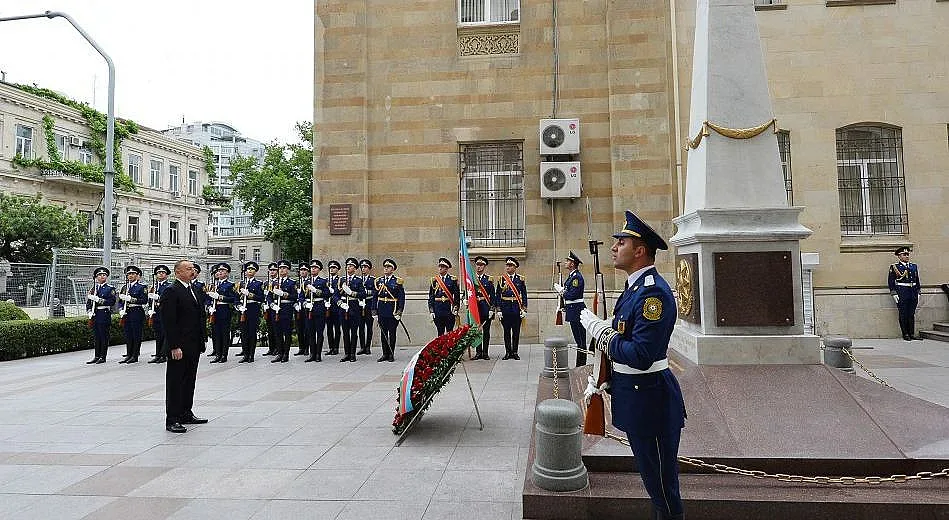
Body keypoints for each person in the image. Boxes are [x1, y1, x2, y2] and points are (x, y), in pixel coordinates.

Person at [580, 210, 685, 520]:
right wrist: (605, 378)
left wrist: (602, 334)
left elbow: (641, 354)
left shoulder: (653, 293)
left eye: (621, 241)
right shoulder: (634, 288)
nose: (614, 247)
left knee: (663, 489)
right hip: (637, 396)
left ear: (640, 251)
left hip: (651, 400)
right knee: (653, 482)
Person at [160, 259, 209, 433]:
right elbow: (169, 322)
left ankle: (186, 412)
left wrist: (202, 339)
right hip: (179, 346)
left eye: (193, 269)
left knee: (189, 380)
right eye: (188, 269)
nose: (192, 271)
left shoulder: (193, 289)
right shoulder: (171, 291)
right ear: (178, 272)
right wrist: (174, 346)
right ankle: (172, 419)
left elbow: (199, 317)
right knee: (175, 382)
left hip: (193, 344)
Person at [554, 251, 587, 366]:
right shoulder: (572, 276)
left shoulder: (576, 277)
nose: (566, 263)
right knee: (578, 341)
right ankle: (579, 365)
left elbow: (571, 295)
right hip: (573, 310)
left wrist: (561, 291)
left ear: (572, 264)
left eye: (567, 261)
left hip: (577, 310)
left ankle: (581, 365)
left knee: (581, 342)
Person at [888, 246, 922, 341]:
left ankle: (911, 333)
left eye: (908, 254)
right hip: (902, 292)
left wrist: (918, 291)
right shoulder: (895, 267)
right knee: (903, 313)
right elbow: (891, 281)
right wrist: (894, 293)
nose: (907, 256)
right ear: (899, 256)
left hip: (913, 292)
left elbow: (917, 279)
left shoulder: (913, 266)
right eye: (904, 254)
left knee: (911, 313)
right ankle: (905, 334)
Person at [496, 256, 527, 360]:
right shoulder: (501, 279)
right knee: (506, 332)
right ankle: (508, 352)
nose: (508, 267)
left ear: (515, 267)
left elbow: (524, 295)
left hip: (516, 308)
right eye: (507, 265)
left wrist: (524, 309)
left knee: (516, 332)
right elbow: (498, 295)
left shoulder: (520, 279)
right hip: (505, 309)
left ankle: (515, 352)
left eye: (510, 265)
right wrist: (499, 309)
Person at [374, 258, 405, 362]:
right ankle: (384, 354)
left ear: (393, 269)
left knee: (392, 333)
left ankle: (391, 354)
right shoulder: (378, 281)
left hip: (393, 310)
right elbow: (375, 297)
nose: (386, 269)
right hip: (382, 310)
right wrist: (374, 310)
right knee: (383, 333)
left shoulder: (397, 281)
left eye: (388, 267)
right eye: (385, 267)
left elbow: (401, 298)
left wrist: (399, 311)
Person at [85, 266, 116, 364]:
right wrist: (89, 310)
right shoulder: (93, 289)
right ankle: (96, 356)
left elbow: (112, 302)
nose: (102, 277)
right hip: (95, 314)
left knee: (103, 336)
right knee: (96, 336)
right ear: (96, 277)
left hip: (104, 314)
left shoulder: (110, 288)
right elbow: (89, 302)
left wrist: (99, 300)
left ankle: (103, 356)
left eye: (104, 275)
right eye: (99, 275)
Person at [336, 257, 364, 362]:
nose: (348, 267)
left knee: (353, 332)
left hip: (354, 307)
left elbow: (363, 294)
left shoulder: (359, 280)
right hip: (343, 307)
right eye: (347, 265)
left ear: (355, 268)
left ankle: (352, 353)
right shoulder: (341, 280)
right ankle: (346, 353)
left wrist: (353, 293)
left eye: (351, 266)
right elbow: (335, 294)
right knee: (345, 331)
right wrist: (340, 303)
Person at [118, 265, 149, 363]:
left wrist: (131, 299)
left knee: (136, 335)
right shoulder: (124, 287)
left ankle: (135, 356)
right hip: (126, 313)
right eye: (129, 274)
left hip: (136, 312)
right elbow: (120, 301)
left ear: (137, 275)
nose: (130, 276)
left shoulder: (141, 287)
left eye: (133, 274)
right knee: (128, 334)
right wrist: (120, 309)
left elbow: (144, 300)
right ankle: (129, 354)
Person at [207, 263, 236, 363]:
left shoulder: (230, 285)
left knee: (224, 333)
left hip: (224, 310)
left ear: (227, 273)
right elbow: (207, 298)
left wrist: (220, 297)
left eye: (223, 271)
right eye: (219, 271)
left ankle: (224, 355)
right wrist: (209, 306)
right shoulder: (214, 285)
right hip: (215, 311)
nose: (220, 272)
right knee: (216, 333)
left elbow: (233, 299)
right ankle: (217, 354)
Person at [236, 261, 265, 363]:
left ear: (255, 271)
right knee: (243, 333)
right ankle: (245, 354)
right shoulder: (241, 283)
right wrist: (238, 306)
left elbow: (262, 298)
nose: (249, 271)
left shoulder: (258, 284)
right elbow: (236, 298)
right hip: (242, 310)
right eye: (248, 269)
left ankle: (251, 355)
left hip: (253, 308)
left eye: (252, 269)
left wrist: (249, 294)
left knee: (252, 332)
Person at [271, 260, 299, 363]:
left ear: (288, 270)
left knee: (286, 332)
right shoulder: (274, 282)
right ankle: (280, 353)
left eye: (284, 268)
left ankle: (286, 354)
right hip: (276, 309)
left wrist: (284, 294)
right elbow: (269, 297)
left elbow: (295, 297)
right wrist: (272, 305)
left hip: (286, 309)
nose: (282, 270)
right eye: (280, 268)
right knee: (277, 333)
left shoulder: (292, 283)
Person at [303, 259, 330, 362]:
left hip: (319, 308)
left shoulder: (323, 281)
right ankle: (312, 354)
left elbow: (327, 294)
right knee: (310, 332)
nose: (313, 269)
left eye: (315, 268)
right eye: (312, 267)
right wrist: (305, 303)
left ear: (319, 270)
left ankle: (318, 354)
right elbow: (301, 296)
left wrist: (316, 291)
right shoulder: (306, 282)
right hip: (308, 309)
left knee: (319, 332)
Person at [147, 265, 172, 364]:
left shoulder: (169, 286)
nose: (160, 274)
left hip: (164, 313)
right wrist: (150, 309)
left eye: (163, 272)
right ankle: (158, 354)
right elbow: (150, 300)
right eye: (158, 273)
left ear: (166, 275)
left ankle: (164, 354)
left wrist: (159, 298)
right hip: (156, 313)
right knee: (157, 335)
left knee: (164, 334)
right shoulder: (154, 286)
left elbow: (169, 300)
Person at [429, 257, 460, 336]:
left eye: (442, 267)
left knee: (450, 332)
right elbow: (431, 297)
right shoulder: (434, 280)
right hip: (438, 310)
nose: (440, 268)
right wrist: (431, 310)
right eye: (439, 266)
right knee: (440, 332)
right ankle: (441, 349)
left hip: (448, 310)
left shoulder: (452, 280)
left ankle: (449, 348)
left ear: (446, 268)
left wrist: (456, 308)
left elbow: (456, 296)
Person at [473, 256, 496, 360]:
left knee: (486, 331)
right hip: (475, 308)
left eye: (481, 265)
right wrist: (465, 299)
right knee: (477, 331)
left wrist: (492, 308)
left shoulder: (489, 279)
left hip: (486, 308)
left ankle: (485, 352)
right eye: (477, 264)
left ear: (484, 266)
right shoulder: (472, 279)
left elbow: (493, 295)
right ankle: (478, 352)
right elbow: (468, 292)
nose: (479, 267)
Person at [357, 259, 376, 355]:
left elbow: (375, 292)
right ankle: (362, 346)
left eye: (365, 267)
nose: (363, 269)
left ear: (369, 268)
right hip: (360, 305)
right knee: (360, 327)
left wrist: (366, 292)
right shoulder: (358, 279)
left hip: (369, 304)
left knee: (369, 327)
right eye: (362, 267)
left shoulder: (373, 280)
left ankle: (368, 346)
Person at [325, 260, 342, 355]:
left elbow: (339, 292)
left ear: (337, 269)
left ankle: (336, 348)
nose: (331, 269)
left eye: (334, 268)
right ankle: (331, 347)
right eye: (330, 268)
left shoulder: (339, 280)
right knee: (329, 328)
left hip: (336, 307)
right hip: (327, 307)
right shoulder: (326, 280)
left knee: (337, 328)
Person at [294, 263, 311, 356]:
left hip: (306, 307)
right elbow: (293, 296)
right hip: (297, 308)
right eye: (301, 270)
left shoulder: (309, 282)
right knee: (299, 328)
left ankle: (307, 348)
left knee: (307, 328)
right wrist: (295, 304)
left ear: (308, 272)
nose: (303, 272)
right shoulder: (296, 283)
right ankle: (301, 348)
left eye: (305, 270)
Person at [262, 262, 279, 356]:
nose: (272, 272)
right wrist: (264, 305)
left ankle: (277, 347)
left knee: (276, 328)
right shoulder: (266, 283)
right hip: (267, 307)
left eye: (274, 270)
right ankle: (271, 348)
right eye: (271, 270)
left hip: (275, 307)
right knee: (269, 328)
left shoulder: (278, 282)